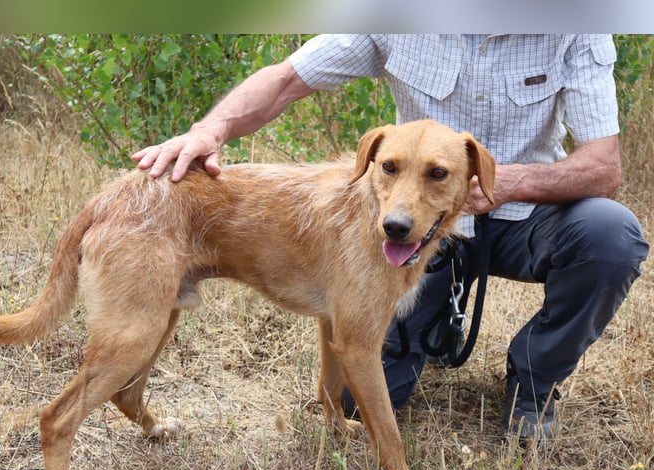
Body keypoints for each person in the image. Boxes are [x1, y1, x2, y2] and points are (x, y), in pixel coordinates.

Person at [132, 35, 649, 443]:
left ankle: (534, 382)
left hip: (526, 213)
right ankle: (426, 327)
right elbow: (288, 79)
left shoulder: (576, 25)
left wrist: (501, 184)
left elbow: (602, 167)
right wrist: (211, 128)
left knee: (610, 236)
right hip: (406, 226)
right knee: (365, 395)